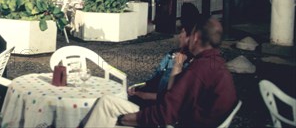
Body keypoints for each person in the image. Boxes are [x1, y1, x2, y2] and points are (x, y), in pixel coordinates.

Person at [82, 16, 238, 128]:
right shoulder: (217, 65)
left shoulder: (197, 70)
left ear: (196, 37)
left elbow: (166, 114)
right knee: (108, 106)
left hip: (176, 123)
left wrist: (125, 119)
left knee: (106, 106)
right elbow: (176, 99)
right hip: (196, 120)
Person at [128, 3, 200, 107]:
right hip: (151, 99)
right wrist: (139, 88)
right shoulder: (172, 55)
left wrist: (144, 95)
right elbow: (156, 79)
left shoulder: (194, 63)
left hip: (162, 107)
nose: (179, 36)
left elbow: (176, 98)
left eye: (182, 32)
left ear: (192, 37)